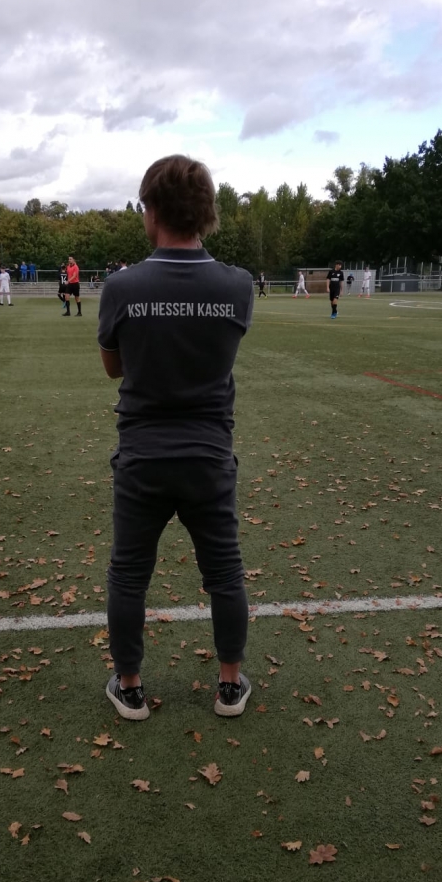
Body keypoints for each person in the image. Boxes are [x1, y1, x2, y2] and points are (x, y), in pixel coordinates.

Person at [98, 153, 253, 722]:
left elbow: (114, 368)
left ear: (153, 209)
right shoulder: (237, 286)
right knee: (225, 573)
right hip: (209, 454)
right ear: (205, 211)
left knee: (129, 574)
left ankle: (130, 687)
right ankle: (229, 686)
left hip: (143, 456)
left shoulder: (122, 286)